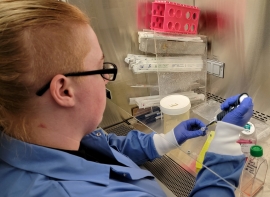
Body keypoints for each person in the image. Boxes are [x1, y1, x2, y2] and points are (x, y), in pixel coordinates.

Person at [0, 0, 254, 197]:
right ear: (65, 91)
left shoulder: (34, 139)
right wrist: (225, 145)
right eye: (101, 69)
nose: (106, 79)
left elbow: (107, 149)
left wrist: (166, 141)